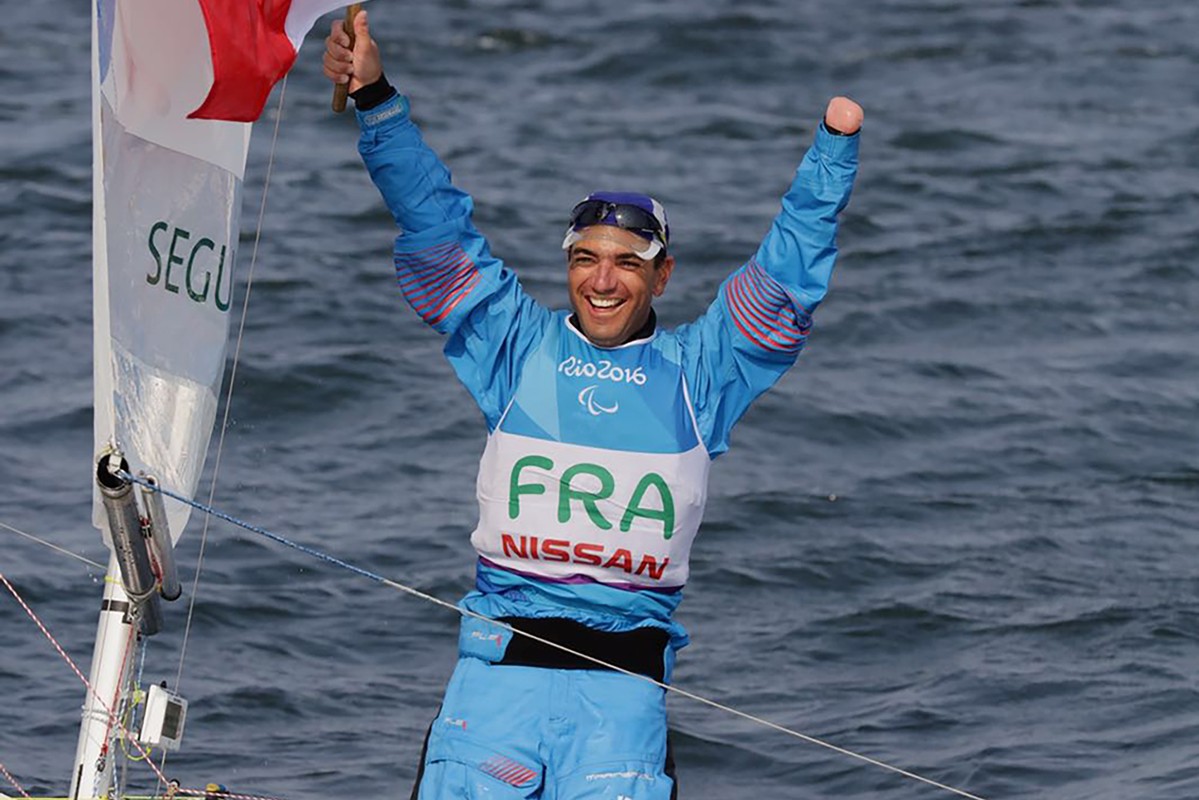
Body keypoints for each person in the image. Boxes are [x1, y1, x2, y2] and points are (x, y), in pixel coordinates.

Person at [324, 10, 861, 800]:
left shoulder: (700, 373)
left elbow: (786, 276)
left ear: (662, 274)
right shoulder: (516, 347)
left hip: (619, 711)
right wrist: (375, 100)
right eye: (584, 259)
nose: (601, 281)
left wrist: (832, 153)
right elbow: (434, 224)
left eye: (626, 263)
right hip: (492, 695)